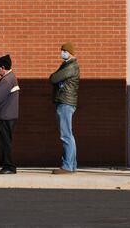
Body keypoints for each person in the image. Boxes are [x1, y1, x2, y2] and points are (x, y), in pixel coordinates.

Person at [49, 42, 80, 174]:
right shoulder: (67, 65)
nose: (61, 53)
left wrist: (53, 76)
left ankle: (67, 166)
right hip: (65, 102)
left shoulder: (71, 66)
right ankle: (71, 165)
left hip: (65, 103)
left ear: (69, 52)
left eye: (63, 50)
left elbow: (54, 78)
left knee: (66, 135)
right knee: (68, 134)